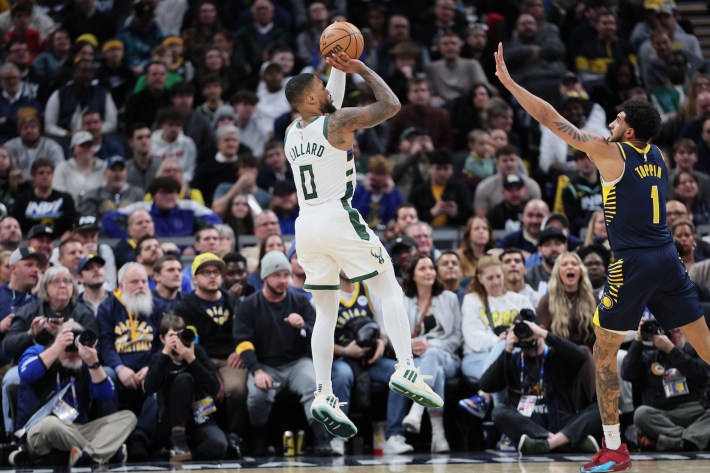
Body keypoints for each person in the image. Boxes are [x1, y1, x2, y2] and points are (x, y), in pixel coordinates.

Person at [495, 42, 710, 472]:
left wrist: (510, 83)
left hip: (633, 261)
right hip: (667, 256)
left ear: (629, 131)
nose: (611, 123)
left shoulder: (610, 151)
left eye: (618, 119)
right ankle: (613, 446)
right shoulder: (658, 157)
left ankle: (614, 448)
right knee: (706, 344)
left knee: (603, 348)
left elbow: (550, 119)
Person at [283, 53, 444, 441]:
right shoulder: (337, 123)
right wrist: (363, 70)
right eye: (320, 86)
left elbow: (328, 102)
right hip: (337, 217)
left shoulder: (293, 130)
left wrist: (337, 65)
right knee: (387, 285)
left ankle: (323, 392)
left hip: (305, 226)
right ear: (309, 99)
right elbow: (391, 106)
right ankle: (406, 367)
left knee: (325, 310)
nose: (326, 88)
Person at [12, 320, 136, 467]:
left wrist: (93, 362)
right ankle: (105, 452)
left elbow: (105, 395)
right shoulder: (39, 351)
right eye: (68, 344)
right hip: (38, 430)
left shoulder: (85, 364)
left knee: (128, 417)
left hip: (77, 430)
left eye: (76, 345)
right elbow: (26, 373)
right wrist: (57, 348)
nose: (73, 351)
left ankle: (88, 455)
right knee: (51, 424)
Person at [479, 315, 602, 456]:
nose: (527, 337)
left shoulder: (557, 356)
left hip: (562, 421)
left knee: (602, 409)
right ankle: (566, 442)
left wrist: (543, 334)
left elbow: (581, 356)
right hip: (530, 424)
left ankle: (546, 444)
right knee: (498, 412)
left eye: (530, 331)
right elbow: (485, 385)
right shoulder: (513, 360)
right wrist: (507, 349)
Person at [143, 313, 228, 461]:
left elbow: (214, 388)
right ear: (163, 339)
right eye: (172, 336)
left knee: (218, 445)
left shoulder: (197, 353)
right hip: (168, 422)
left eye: (181, 335)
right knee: (184, 379)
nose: (178, 340)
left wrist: (191, 359)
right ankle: (177, 441)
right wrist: (165, 354)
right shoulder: (159, 358)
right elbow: (149, 388)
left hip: (199, 416)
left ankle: (182, 454)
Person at [400, 253, 461, 452]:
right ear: (413, 275)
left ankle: (417, 408)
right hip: (414, 361)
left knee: (433, 357)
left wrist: (430, 345)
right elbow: (397, 336)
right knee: (437, 374)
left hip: (447, 357)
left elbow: (456, 338)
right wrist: (409, 345)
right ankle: (438, 434)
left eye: (431, 268)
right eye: (423, 268)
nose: (429, 272)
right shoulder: (403, 301)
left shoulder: (449, 298)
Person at [621, 321, 710, 452]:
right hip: (664, 415)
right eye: (670, 332)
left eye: (677, 331)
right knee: (640, 414)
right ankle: (689, 440)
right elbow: (628, 373)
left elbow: (703, 376)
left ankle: (680, 441)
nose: (674, 336)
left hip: (695, 412)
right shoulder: (651, 358)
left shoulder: (697, 353)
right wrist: (638, 340)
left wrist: (671, 350)